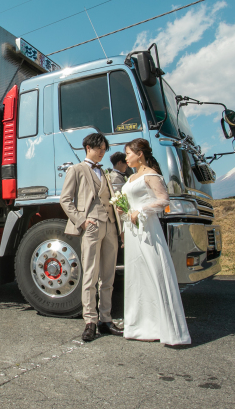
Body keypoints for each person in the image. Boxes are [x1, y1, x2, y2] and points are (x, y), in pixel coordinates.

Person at [117, 138, 190, 346]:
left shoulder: (151, 175)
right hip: (132, 230)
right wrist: (124, 211)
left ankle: (164, 326)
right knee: (137, 275)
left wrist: (142, 210)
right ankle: (140, 326)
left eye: (129, 153)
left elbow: (164, 199)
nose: (126, 157)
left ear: (140, 154)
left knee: (154, 270)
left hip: (147, 228)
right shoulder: (130, 178)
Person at [59, 132, 123, 342]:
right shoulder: (76, 170)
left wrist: (119, 228)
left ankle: (106, 318)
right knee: (90, 275)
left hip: (110, 226)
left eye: (105, 149)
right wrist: (82, 221)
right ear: (88, 148)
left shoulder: (104, 172)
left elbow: (111, 200)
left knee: (108, 275)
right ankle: (90, 321)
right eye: (99, 149)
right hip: (92, 226)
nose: (103, 153)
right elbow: (65, 200)